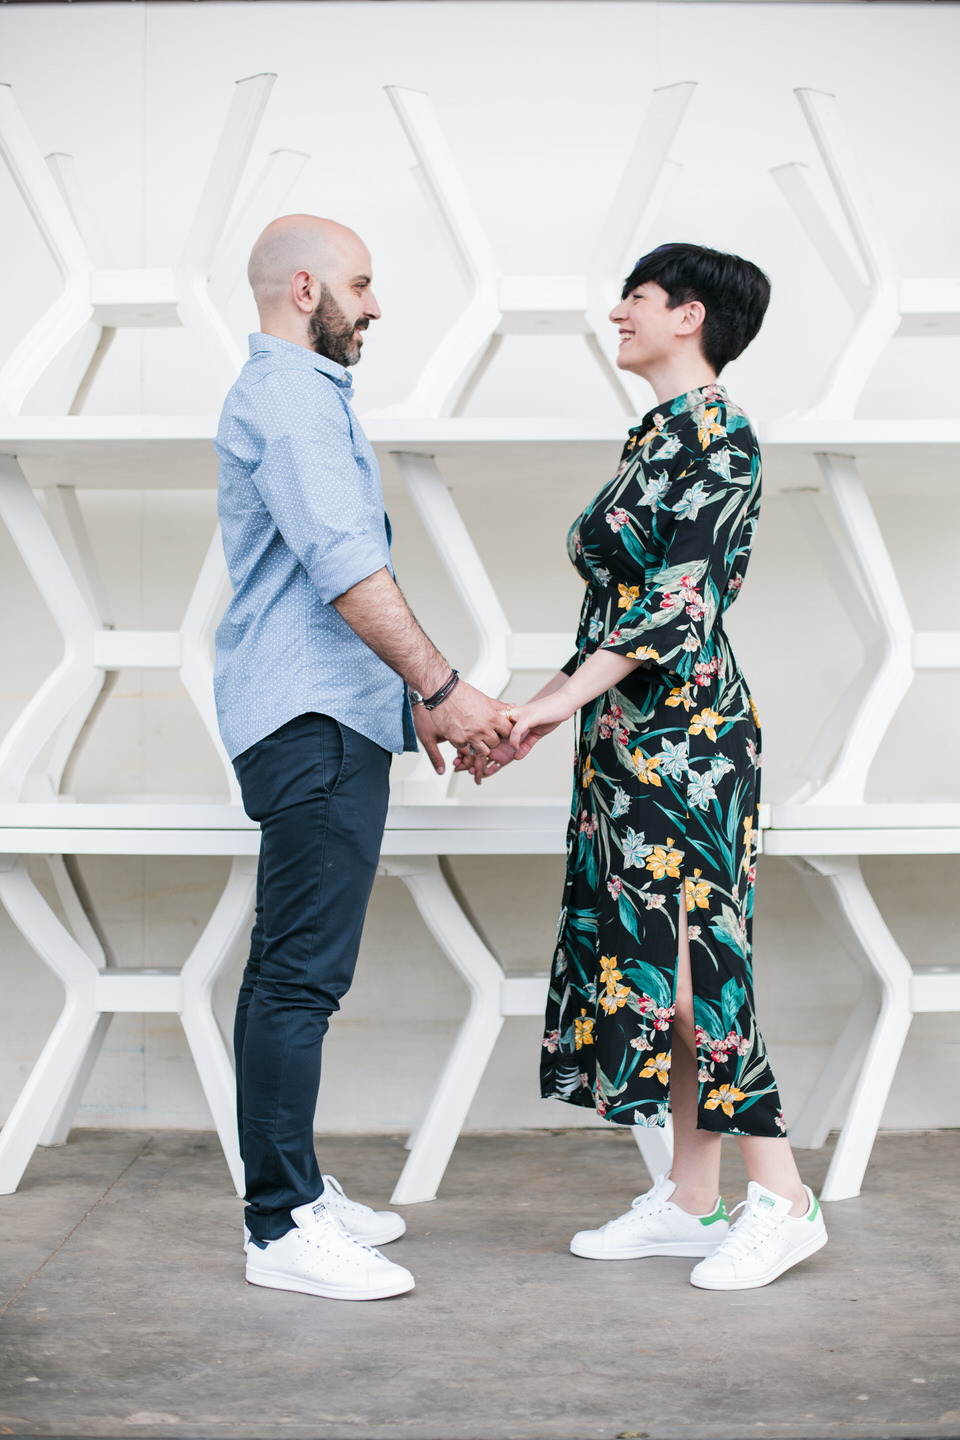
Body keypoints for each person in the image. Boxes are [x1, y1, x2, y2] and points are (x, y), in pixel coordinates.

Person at [470, 243, 827, 1291]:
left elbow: (675, 606)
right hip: (631, 737)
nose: (618, 310)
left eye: (638, 295)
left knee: (691, 973)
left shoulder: (721, 436)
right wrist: (547, 714)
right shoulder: (660, 435)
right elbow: (617, 613)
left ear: (691, 316)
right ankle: (689, 1199)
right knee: (662, 972)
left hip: (690, 742)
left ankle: (785, 1196)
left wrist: (546, 704)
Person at [214, 214, 512, 1301]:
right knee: (296, 977)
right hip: (310, 726)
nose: (376, 304)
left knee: (299, 975)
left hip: (327, 715)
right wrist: (442, 689)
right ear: (306, 288)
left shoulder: (298, 395)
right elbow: (344, 570)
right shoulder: (291, 397)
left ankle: (294, 1190)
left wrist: (410, 705)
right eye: (363, 283)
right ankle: (282, 1225)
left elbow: (331, 584)